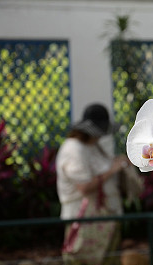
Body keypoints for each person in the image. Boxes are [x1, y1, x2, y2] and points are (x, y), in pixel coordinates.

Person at [56, 103, 130, 265]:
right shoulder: (74, 149)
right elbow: (84, 187)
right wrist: (113, 170)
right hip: (85, 221)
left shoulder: (93, 146)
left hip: (107, 217)